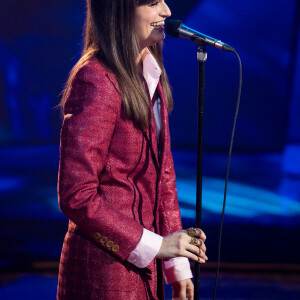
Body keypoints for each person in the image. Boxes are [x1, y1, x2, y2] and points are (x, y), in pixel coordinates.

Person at [57, 0, 208, 299]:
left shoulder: (151, 73)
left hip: (144, 272)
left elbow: (163, 178)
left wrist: (177, 265)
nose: (166, 11)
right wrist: (158, 245)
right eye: (153, 3)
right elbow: (77, 195)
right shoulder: (96, 79)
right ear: (119, 11)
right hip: (103, 274)